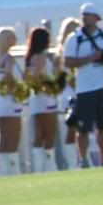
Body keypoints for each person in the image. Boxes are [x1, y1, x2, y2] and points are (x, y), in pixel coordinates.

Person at [62, 3, 103, 166]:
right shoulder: (74, 38)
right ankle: (84, 159)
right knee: (83, 129)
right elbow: (67, 62)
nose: (84, 17)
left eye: (88, 14)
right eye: (83, 14)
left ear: (96, 18)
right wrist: (91, 58)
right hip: (84, 89)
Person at [26, 27, 60, 173]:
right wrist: (47, 87)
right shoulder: (40, 57)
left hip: (38, 99)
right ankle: (49, 165)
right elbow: (36, 77)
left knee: (40, 133)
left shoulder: (31, 57)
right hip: (44, 98)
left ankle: (39, 167)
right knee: (49, 133)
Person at [0, 27, 25, 175]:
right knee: (12, 137)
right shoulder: (9, 59)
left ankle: (3, 170)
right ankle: (13, 169)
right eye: (12, 37)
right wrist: (18, 91)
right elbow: (8, 78)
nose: (15, 40)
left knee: (4, 137)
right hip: (10, 101)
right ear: (6, 40)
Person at [56, 17, 81, 170]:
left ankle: (79, 159)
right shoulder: (64, 54)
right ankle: (72, 162)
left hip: (75, 91)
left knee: (80, 129)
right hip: (69, 94)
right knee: (71, 128)